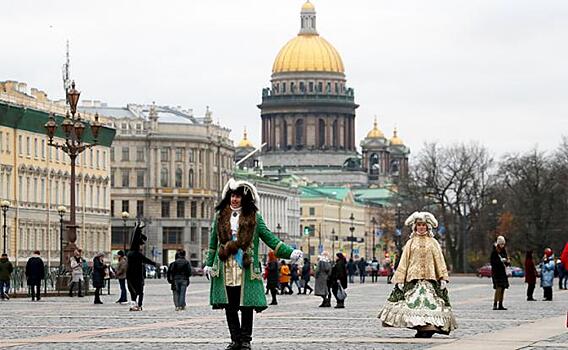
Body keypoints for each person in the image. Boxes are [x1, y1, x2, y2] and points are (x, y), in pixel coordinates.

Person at [202, 178, 303, 350]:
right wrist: (208, 264)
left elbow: (270, 238)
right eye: (232, 196)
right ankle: (235, 339)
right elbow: (213, 243)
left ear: (245, 199)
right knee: (229, 306)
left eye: (238, 197)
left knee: (246, 305)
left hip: (246, 268)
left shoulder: (255, 218)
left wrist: (289, 252)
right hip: (225, 268)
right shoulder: (219, 217)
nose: (234, 199)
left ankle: (246, 340)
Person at [378, 212, 456, 338]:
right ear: (415, 227)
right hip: (413, 279)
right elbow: (404, 261)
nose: (421, 227)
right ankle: (421, 328)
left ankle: (429, 328)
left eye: (423, 225)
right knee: (413, 305)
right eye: (419, 225)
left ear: (427, 227)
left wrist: (443, 277)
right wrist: (400, 279)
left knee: (431, 305)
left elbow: (439, 260)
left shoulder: (433, 243)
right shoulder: (410, 243)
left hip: (430, 280)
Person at [490, 235, 510, 310]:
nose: (502, 246)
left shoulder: (504, 251)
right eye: (501, 244)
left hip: (502, 272)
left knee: (503, 288)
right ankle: (495, 304)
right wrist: (501, 261)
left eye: (503, 244)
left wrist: (507, 261)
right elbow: (493, 262)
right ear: (498, 244)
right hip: (496, 272)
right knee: (498, 288)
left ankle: (500, 304)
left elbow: (507, 261)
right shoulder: (494, 252)